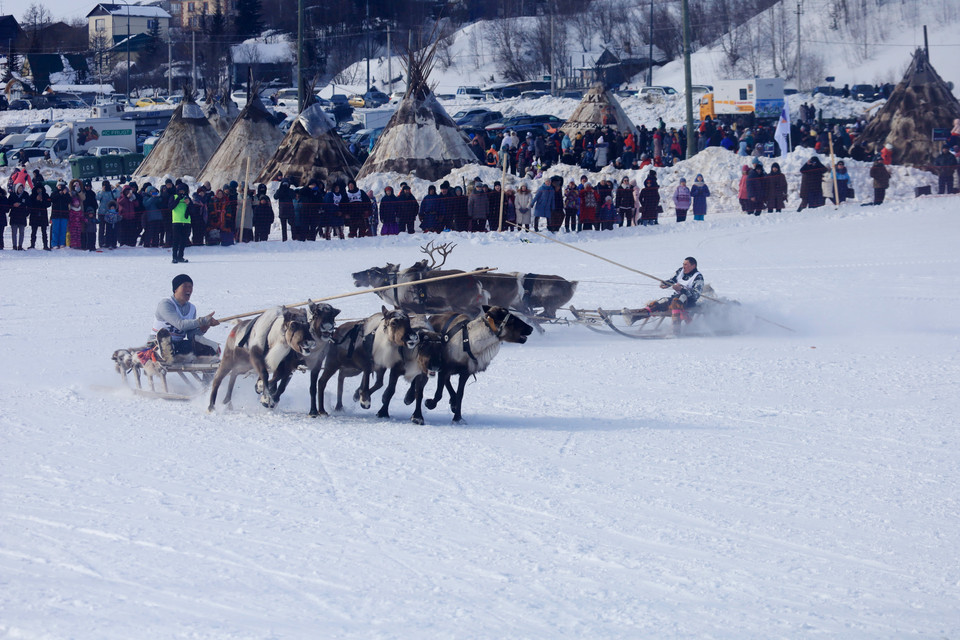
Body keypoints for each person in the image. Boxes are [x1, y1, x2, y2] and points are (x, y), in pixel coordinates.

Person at [622, 257, 705, 334]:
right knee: (659, 303)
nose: (684, 266)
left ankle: (676, 330)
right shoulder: (680, 271)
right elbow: (671, 280)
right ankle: (633, 318)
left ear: (693, 266)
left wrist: (681, 290)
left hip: (688, 301)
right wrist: (665, 284)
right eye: (683, 264)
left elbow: (696, 295)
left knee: (676, 302)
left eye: (686, 265)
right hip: (675, 297)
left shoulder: (698, 277)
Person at [154, 274, 221, 362]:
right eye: (185, 286)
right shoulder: (166, 304)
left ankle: (211, 374)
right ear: (175, 289)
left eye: (190, 287)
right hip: (158, 344)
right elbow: (180, 325)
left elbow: (190, 335)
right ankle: (164, 354)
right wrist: (202, 321)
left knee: (209, 349)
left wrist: (204, 327)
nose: (188, 290)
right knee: (166, 345)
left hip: (178, 346)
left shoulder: (192, 308)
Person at [170, 186, 191, 263]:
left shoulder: (188, 198)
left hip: (186, 222)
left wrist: (188, 204)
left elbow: (192, 209)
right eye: (180, 191)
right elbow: (171, 206)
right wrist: (178, 199)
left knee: (183, 241)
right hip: (177, 221)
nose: (182, 193)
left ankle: (180, 256)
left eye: (183, 191)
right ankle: (174, 257)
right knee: (175, 240)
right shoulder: (174, 197)